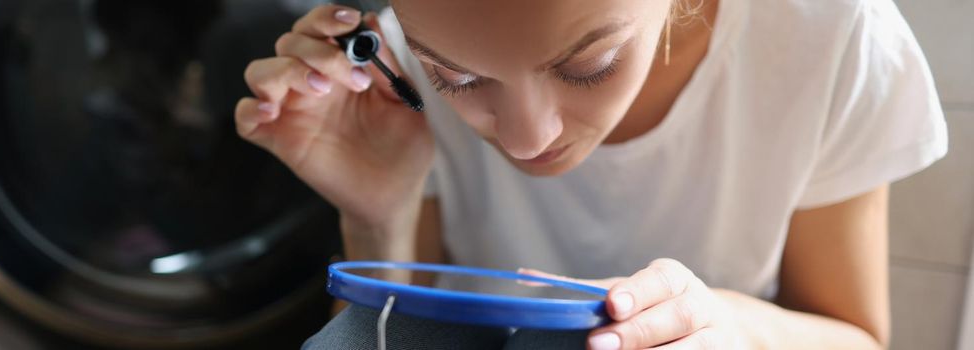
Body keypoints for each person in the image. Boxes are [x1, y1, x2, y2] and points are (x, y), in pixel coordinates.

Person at [235, 0, 948, 348]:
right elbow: (393, 337)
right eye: (457, 79)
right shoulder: (393, 67)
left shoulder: (824, 36)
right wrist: (375, 216)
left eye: (589, 65)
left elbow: (853, 339)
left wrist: (724, 327)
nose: (526, 138)